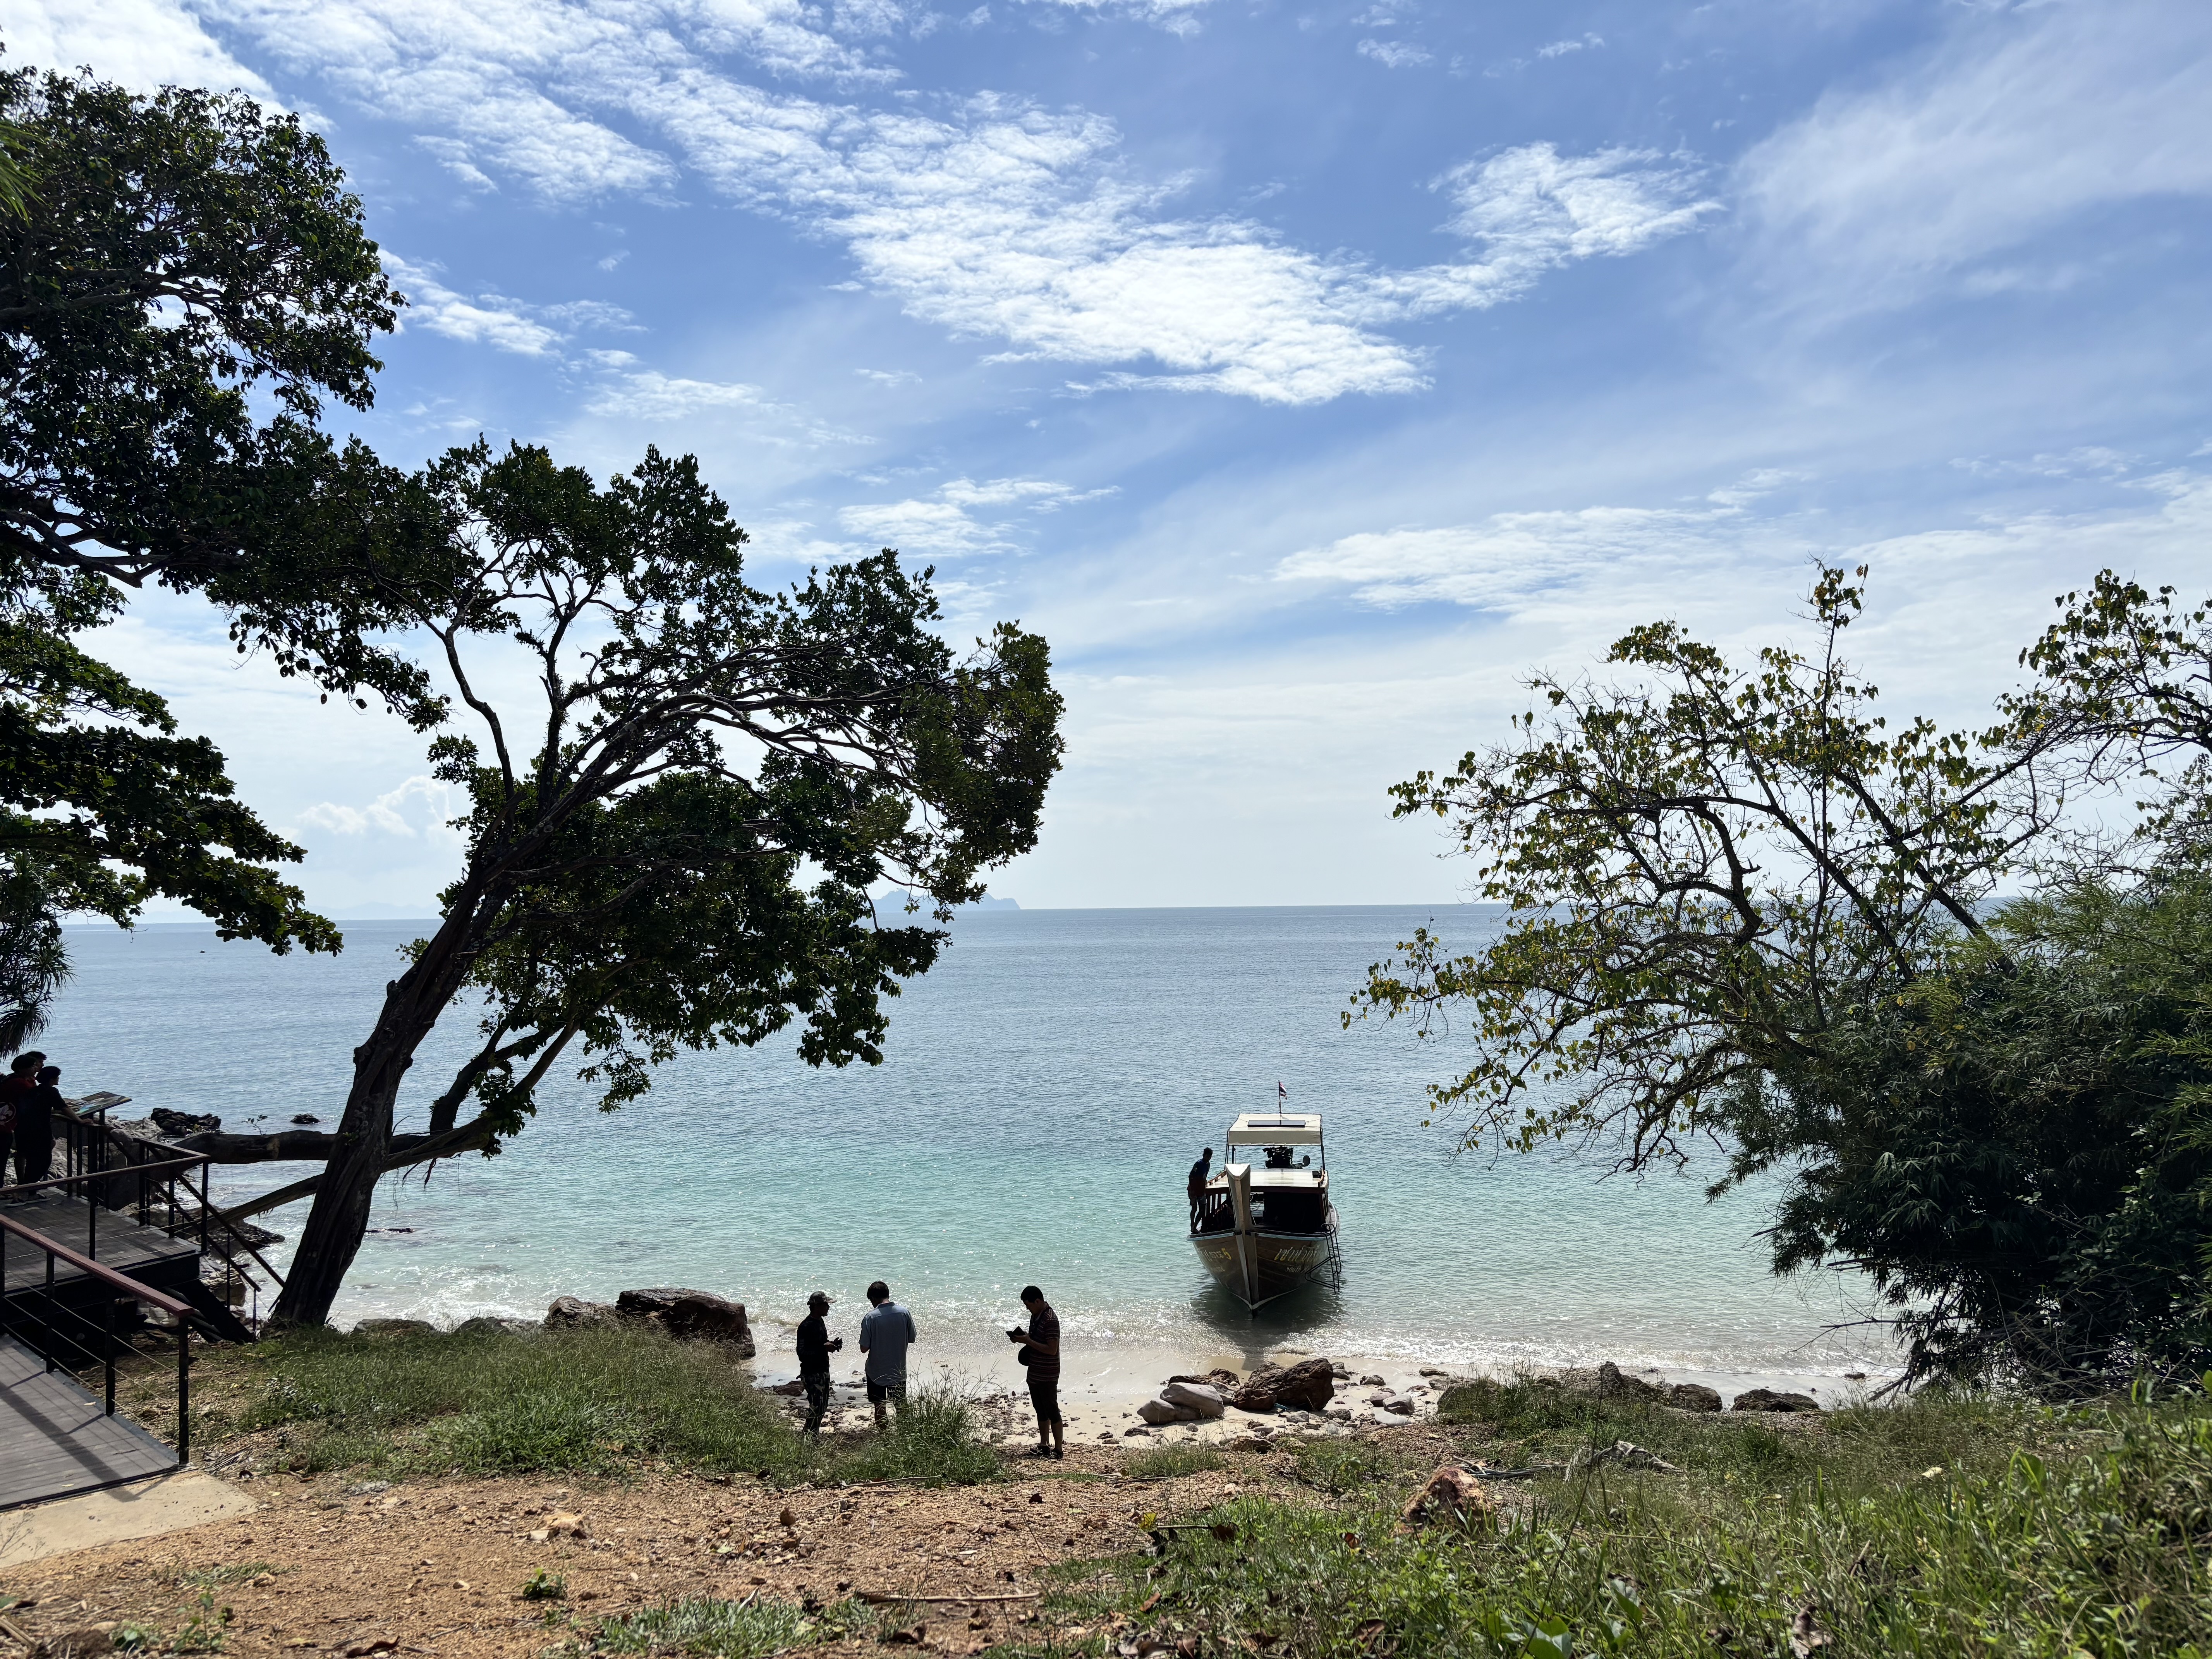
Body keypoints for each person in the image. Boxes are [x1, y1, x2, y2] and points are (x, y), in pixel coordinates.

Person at [1010, 1284, 1063, 1459]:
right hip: (1034, 1371)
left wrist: (1028, 1341)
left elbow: (1052, 1350)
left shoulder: (1050, 1320)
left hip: (1048, 1373)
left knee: (1052, 1410)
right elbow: (1035, 1340)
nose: (1027, 1308)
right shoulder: (1036, 1316)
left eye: (1029, 1305)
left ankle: (1059, 1449)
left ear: (1038, 1301)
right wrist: (1022, 1339)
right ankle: (1044, 1444)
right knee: (1040, 1409)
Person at [857, 1279, 917, 1430]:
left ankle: (885, 1438)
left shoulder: (870, 1318)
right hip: (898, 1370)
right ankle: (906, 1434)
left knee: (880, 1406)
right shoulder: (904, 1313)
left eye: (871, 1300)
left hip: (876, 1372)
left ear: (874, 1299)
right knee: (901, 1404)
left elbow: (864, 1348)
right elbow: (912, 1338)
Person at [796, 1290, 843, 1440]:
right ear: (817, 1307)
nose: (828, 1307)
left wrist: (832, 1345)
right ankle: (808, 1436)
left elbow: (819, 1343)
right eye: (826, 1305)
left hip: (823, 1370)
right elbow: (802, 1353)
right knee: (816, 1407)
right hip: (812, 1373)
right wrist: (824, 1348)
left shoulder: (819, 1322)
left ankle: (812, 1434)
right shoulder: (805, 1326)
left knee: (822, 1407)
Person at [13, 1064, 64, 1188]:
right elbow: (64, 1107)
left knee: (32, 1160)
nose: (58, 1079)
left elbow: (40, 1107)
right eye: (57, 1077)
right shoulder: (52, 1091)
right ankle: (26, 1189)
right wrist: (80, 1120)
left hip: (25, 1128)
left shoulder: (34, 1091)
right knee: (44, 1161)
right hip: (39, 1130)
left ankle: (28, 1191)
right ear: (52, 1079)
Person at [1187, 1146, 1213, 1228]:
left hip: (1201, 1190)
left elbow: (1205, 1176)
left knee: (1202, 1210)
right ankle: (1192, 1225)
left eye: (1210, 1157)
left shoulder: (1208, 1165)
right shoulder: (1199, 1164)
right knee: (1194, 1209)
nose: (1208, 1158)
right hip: (1194, 1190)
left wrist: (1205, 1184)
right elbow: (1191, 1176)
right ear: (1203, 1155)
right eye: (1207, 1156)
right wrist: (1192, 1190)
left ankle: (1195, 1226)